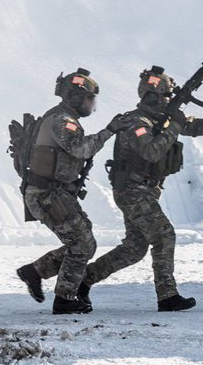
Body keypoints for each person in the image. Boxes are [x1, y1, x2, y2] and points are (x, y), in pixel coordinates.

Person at [81, 66, 203, 312]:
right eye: (165, 95)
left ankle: (84, 279)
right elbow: (151, 151)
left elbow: (196, 127)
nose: (169, 100)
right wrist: (174, 126)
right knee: (164, 235)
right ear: (151, 96)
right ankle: (167, 296)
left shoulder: (161, 120)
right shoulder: (136, 122)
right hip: (132, 191)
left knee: (134, 249)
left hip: (144, 191)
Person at [15, 68, 127, 314]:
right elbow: (80, 149)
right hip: (46, 195)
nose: (92, 104)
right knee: (82, 244)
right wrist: (109, 130)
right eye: (89, 98)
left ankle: (35, 272)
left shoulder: (65, 118)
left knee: (84, 242)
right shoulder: (61, 120)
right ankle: (64, 300)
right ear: (75, 97)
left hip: (54, 194)